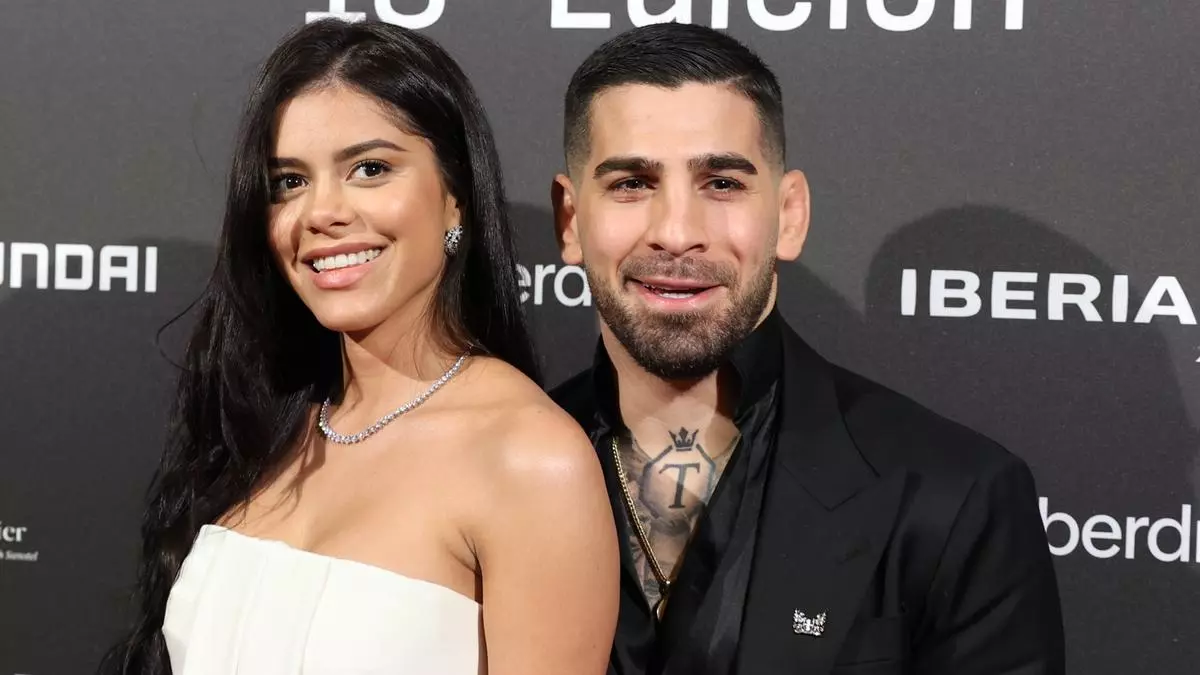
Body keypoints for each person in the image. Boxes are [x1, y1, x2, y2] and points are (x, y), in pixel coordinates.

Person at [100, 19, 618, 675]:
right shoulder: (264, 421)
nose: (322, 212)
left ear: (455, 199)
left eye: (370, 169)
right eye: (289, 181)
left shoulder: (530, 460)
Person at [549, 22, 1065, 675]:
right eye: (631, 183)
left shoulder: (956, 496)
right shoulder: (486, 468)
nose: (676, 233)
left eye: (722, 183)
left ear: (789, 215)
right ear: (571, 220)